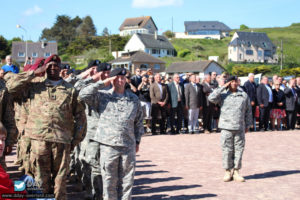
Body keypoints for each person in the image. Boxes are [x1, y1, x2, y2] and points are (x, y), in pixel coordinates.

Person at [8, 55, 87, 200]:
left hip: (62, 142)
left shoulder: (70, 90)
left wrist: (75, 140)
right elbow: (11, 87)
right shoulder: (34, 87)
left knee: (60, 182)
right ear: (44, 67)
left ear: (60, 67)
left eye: (55, 65)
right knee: (39, 181)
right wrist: (34, 72)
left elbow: (81, 116)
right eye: (49, 65)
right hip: (38, 140)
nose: (52, 68)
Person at [79, 67, 144, 200]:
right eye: (117, 77)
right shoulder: (103, 96)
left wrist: (137, 141)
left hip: (128, 145)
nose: (121, 80)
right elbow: (82, 94)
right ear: (112, 79)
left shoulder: (133, 99)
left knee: (127, 180)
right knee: (109, 180)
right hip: (108, 146)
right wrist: (103, 82)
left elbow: (138, 122)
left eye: (123, 77)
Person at [208, 76, 252, 182]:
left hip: (239, 126)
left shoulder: (243, 95)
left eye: (235, 81)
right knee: (227, 150)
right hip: (226, 127)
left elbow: (248, 111)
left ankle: (236, 171)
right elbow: (211, 98)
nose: (234, 83)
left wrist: (248, 125)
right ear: (228, 83)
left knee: (239, 150)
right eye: (231, 82)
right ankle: (227, 171)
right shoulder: (223, 95)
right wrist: (222, 87)